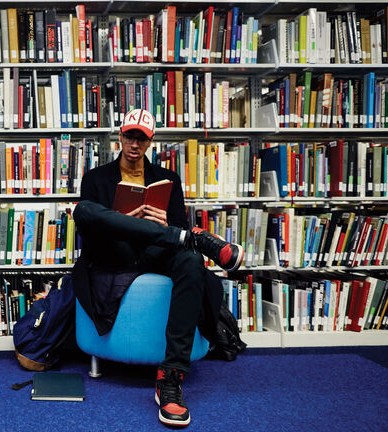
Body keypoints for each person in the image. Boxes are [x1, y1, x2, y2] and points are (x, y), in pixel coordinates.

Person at [72, 108, 245, 428]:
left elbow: (178, 226)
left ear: (150, 142)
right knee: (83, 209)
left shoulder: (167, 179)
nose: (134, 143)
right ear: (119, 136)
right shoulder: (95, 178)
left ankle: (171, 378)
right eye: (129, 136)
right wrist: (128, 224)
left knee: (191, 260)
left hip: (154, 251)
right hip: (113, 252)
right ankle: (202, 241)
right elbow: (90, 229)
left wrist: (164, 224)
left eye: (142, 138)